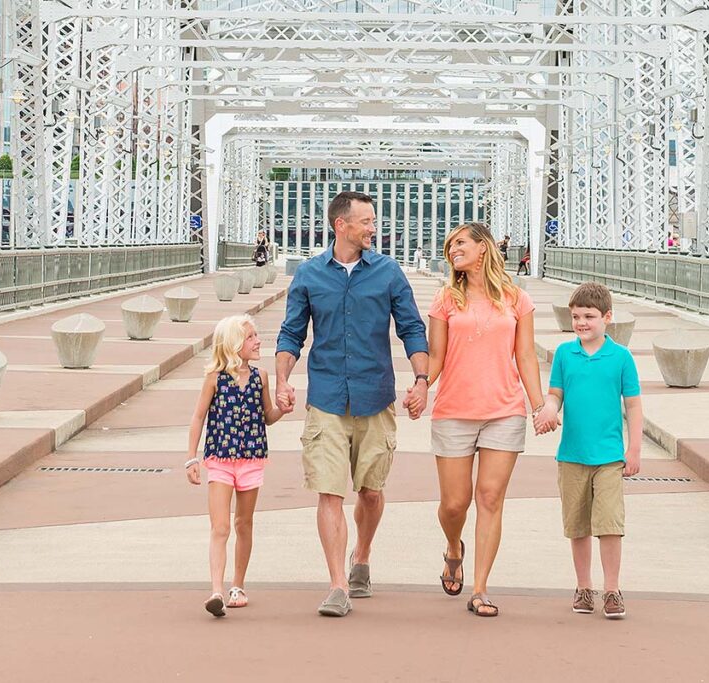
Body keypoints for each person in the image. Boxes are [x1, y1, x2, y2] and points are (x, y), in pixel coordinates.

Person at [275, 190, 430, 617]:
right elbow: (291, 334)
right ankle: (337, 585)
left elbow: (412, 328)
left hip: (375, 396)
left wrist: (421, 380)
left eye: (374, 221)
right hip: (325, 398)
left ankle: (361, 556)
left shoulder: (388, 272)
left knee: (371, 491)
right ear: (340, 225)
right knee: (329, 491)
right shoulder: (308, 275)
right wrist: (282, 381)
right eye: (365, 221)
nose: (373, 228)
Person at [427, 223, 554, 617]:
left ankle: (480, 588)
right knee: (454, 504)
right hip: (454, 411)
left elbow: (526, 356)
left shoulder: (517, 299)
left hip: (504, 411)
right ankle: (453, 547)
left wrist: (538, 405)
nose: (453, 250)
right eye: (450, 246)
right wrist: (418, 387)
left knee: (490, 498)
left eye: (460, 242)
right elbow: (435, 358)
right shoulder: (446, 299)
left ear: (483, 248)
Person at [541, 282, 642, 619]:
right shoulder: (565, 356)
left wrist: (635, 449)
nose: (582, 322)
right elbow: (556, 394)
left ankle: (612, 590)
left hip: (610, 456)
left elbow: (633, 406)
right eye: (576, 316)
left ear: (607, 318)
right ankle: (584, 588)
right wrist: (549, 409)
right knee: (578, 526)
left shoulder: (621, 357)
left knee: (610, 524)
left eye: (589, 316)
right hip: (571, 455)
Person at [185, 314, 293, 617]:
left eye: (256, 336)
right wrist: (191, 458)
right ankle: (216, 590)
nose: (258, 341)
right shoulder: (215, 378)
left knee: (243, 524)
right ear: (233, 344)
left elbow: (267, 416)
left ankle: (238, 585)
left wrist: (282, 409)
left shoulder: (261, 378)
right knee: (220, 527)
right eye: (250, 337)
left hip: (251, 459)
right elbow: (198, 417)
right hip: (219, 460)